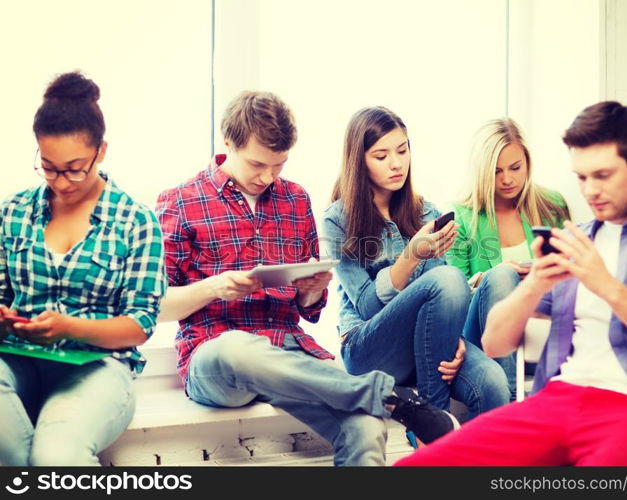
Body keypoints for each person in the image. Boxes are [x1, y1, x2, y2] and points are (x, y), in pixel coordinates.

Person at [154, 91, 458, 466]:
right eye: (257, 164)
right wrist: (214, 287)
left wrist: (311, 292)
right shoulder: (181, 201)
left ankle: (380, 403)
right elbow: (154, 306)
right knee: (236, 348)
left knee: (366, 428)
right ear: (228, 142)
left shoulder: (295, 199)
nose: (268, 177)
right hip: (215, 355)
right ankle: (388, 396)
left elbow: (308, 311)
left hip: (287, 353)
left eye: (279, 165)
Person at [395, 101, 627, 466]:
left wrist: (606, 285)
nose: (590, 192)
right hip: (557, 401)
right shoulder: (576, 238)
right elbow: (493, 343)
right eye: (581, 178)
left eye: (603, 176)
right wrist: (535, 282)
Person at [0, 72, 166, 466]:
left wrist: (70, 327)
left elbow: (140, 324)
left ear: (101, 151)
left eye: (75, 167)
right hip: (19, 359)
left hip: (97, 368)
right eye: (48, 167)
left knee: (57, 457)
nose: (62, 182)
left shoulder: (135, 221)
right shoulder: (13, 212)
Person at [323, 106, 510, 432]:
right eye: (381, 156)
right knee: (448, 277)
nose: (396, 163)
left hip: (427, 344)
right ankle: (432, 429)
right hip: (369, 350)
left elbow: (446, 298)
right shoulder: (337, 220)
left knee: (492, 382)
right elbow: (367, 306)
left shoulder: (427, 212)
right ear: (359, 160)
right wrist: (411, 255)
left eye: (402, 150)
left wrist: (456, 339)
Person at [448, 118, 570, 398]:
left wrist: (539, 276)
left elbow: (571, 274)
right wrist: (489, 278)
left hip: (540, 321)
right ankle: (512, 403)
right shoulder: (463, 217)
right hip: (484, 332)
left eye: (515, 168)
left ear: (527, 162)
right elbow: (452, 295)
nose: (507, 179)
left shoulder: (552, 206)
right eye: (496, 171)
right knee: (502, 276)